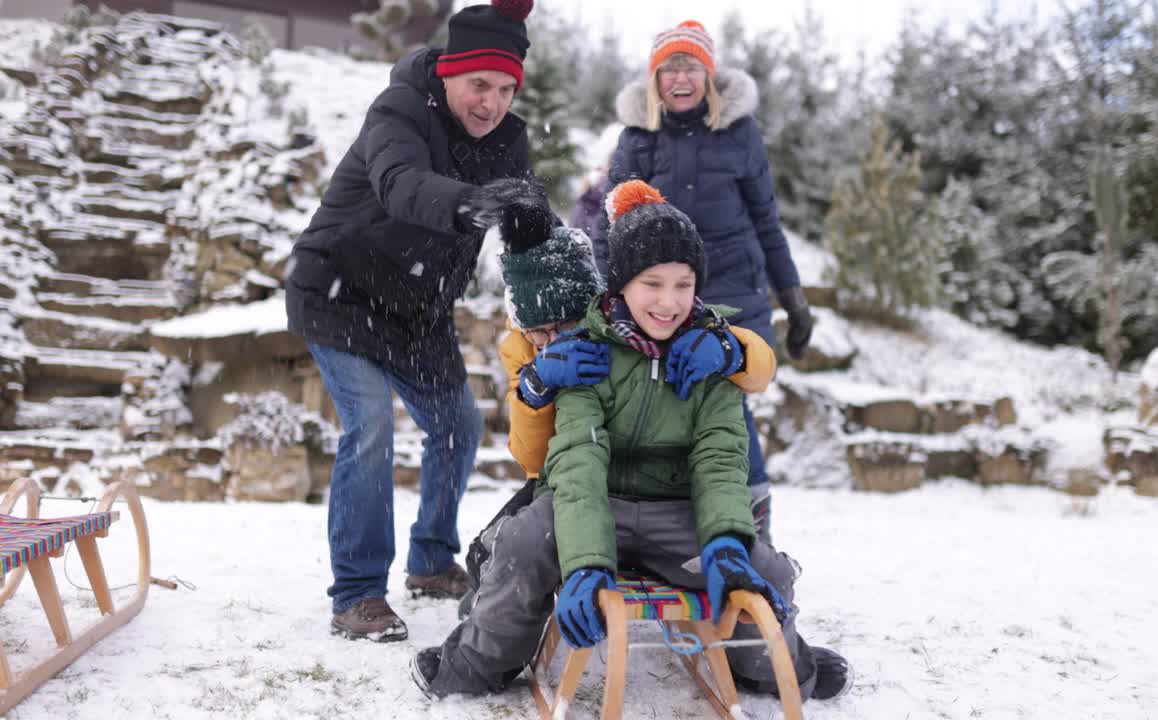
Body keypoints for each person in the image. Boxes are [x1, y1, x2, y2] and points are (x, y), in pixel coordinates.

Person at [411, 180, 849, 702]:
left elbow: (720, 457)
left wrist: (728, 538)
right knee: (525, 542)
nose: (667, 302)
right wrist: (586, 563)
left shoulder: (708, 352)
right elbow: (576, 460)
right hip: (596, 504)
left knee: (762, 567)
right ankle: (476, 664)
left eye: (682, 285)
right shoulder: (587, 353)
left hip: (675, 510)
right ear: (620, 286)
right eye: (651, 284)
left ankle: (777, 666)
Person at [283, 0, 541, 643]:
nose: (492, 103)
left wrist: (565, 280)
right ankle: (358, 594)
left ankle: (430, 560)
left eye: (507, 88)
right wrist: (468, 202)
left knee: (457, 424)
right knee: (368, 426)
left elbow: (529, 231)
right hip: (339, 293)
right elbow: (399, 182)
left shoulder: (508, 140)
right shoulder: (399, 111)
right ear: (450, 73)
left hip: (417, 313)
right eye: (479, 84)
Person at [457, 193, 779, 610]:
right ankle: (492, 634)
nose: (553, 340)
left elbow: (760, 371)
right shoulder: (522, 350)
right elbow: (534, 462)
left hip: (658, 492)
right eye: (539, 330)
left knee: (752, 556)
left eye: (565, 325)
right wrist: (537, 386)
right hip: (570, 479)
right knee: (493, 554)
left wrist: (731, 348)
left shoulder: (618, 333)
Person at [592, 20, 815, 544]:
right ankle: (671, 527)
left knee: (727, 401)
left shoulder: (740, 133)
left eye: (691, 66)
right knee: (662, 402)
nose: (680, 78)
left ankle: (752, 528)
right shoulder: (638, 138)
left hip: (734, 294)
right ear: (655, 79)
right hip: (662, 292)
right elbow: (612, 224)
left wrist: (795, 301)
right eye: (669, 68)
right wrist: (607, 298)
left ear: (709, 76)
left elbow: (766, 220)